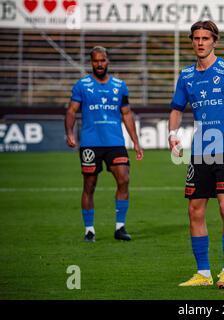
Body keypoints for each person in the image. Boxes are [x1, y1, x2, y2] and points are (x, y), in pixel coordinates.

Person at [168, 20, 224, 289]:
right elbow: (176, 108)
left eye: (206, 38)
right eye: (196, 38)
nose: (200, 43)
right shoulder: (185, 75)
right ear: (192, 41)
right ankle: (203, 274)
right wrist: (173, 134)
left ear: (214, 41)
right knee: (195, 210)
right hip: (200, 151)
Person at [65, 46, 144, 242]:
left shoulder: (119, 85)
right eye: (95, 61)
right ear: (91, 62)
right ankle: (89, 230)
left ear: (108, 61)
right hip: (90, 144)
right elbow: (71, 111)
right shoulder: (81, 85)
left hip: (114, 142)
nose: (99, 64)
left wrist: (135, 141)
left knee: (124, 179)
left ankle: (120, 227)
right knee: (89, 186)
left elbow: (126, 114)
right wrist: (69, 133)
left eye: (102, 60)